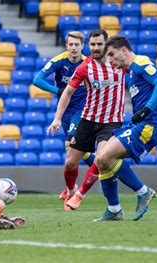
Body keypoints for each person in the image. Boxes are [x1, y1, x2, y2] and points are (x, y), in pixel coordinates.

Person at [47, 29, 127, 211]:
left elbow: (139, 70)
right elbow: (67, 92)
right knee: (69, 163)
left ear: (106, 45)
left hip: (111, 122)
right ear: (89, 46)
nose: (96, 47)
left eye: (99, 44)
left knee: (101, 158)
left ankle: (79, 195)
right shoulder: (85, 67)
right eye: (93, 44)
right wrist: (57, 118)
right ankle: (70, 189)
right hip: (88, 120)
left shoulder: (119, 64)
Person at [94, 35, 157, 221]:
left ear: (124, 50)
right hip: (140, 123)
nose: (110, 60)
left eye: (112, 54)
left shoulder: (141, 62)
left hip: (151, 124)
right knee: (100, 159)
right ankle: (114, 210)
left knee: (105, 156)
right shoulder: (131, 72)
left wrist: (146, 109)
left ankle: (143, 192)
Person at [33, 31, 96, 208]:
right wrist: (58, 91)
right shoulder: (59, 60)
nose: (74, 48)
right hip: (64, 111)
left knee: (71, 149)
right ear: (67, 45)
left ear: (82, 46)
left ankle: (71, 192)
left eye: (77, 45)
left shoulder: (88, 63)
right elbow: (37, 80)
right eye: (71, 44)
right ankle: (101, 165)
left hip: (81, 111)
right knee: (74, 153)